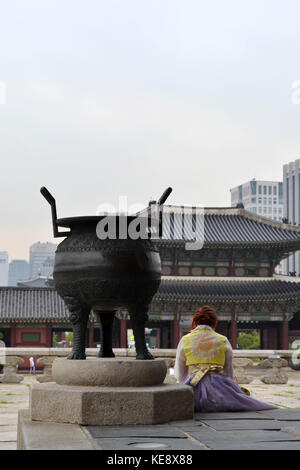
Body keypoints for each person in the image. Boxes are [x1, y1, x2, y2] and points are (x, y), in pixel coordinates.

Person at [174, 305, 277, 412]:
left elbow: (180, 373)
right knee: (247, 400)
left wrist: (184, 383)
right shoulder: (223, 340)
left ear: (195, 322)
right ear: (214, 323)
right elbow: (228, 372)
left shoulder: (185, 340)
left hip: (193, 386)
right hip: (218, 387)